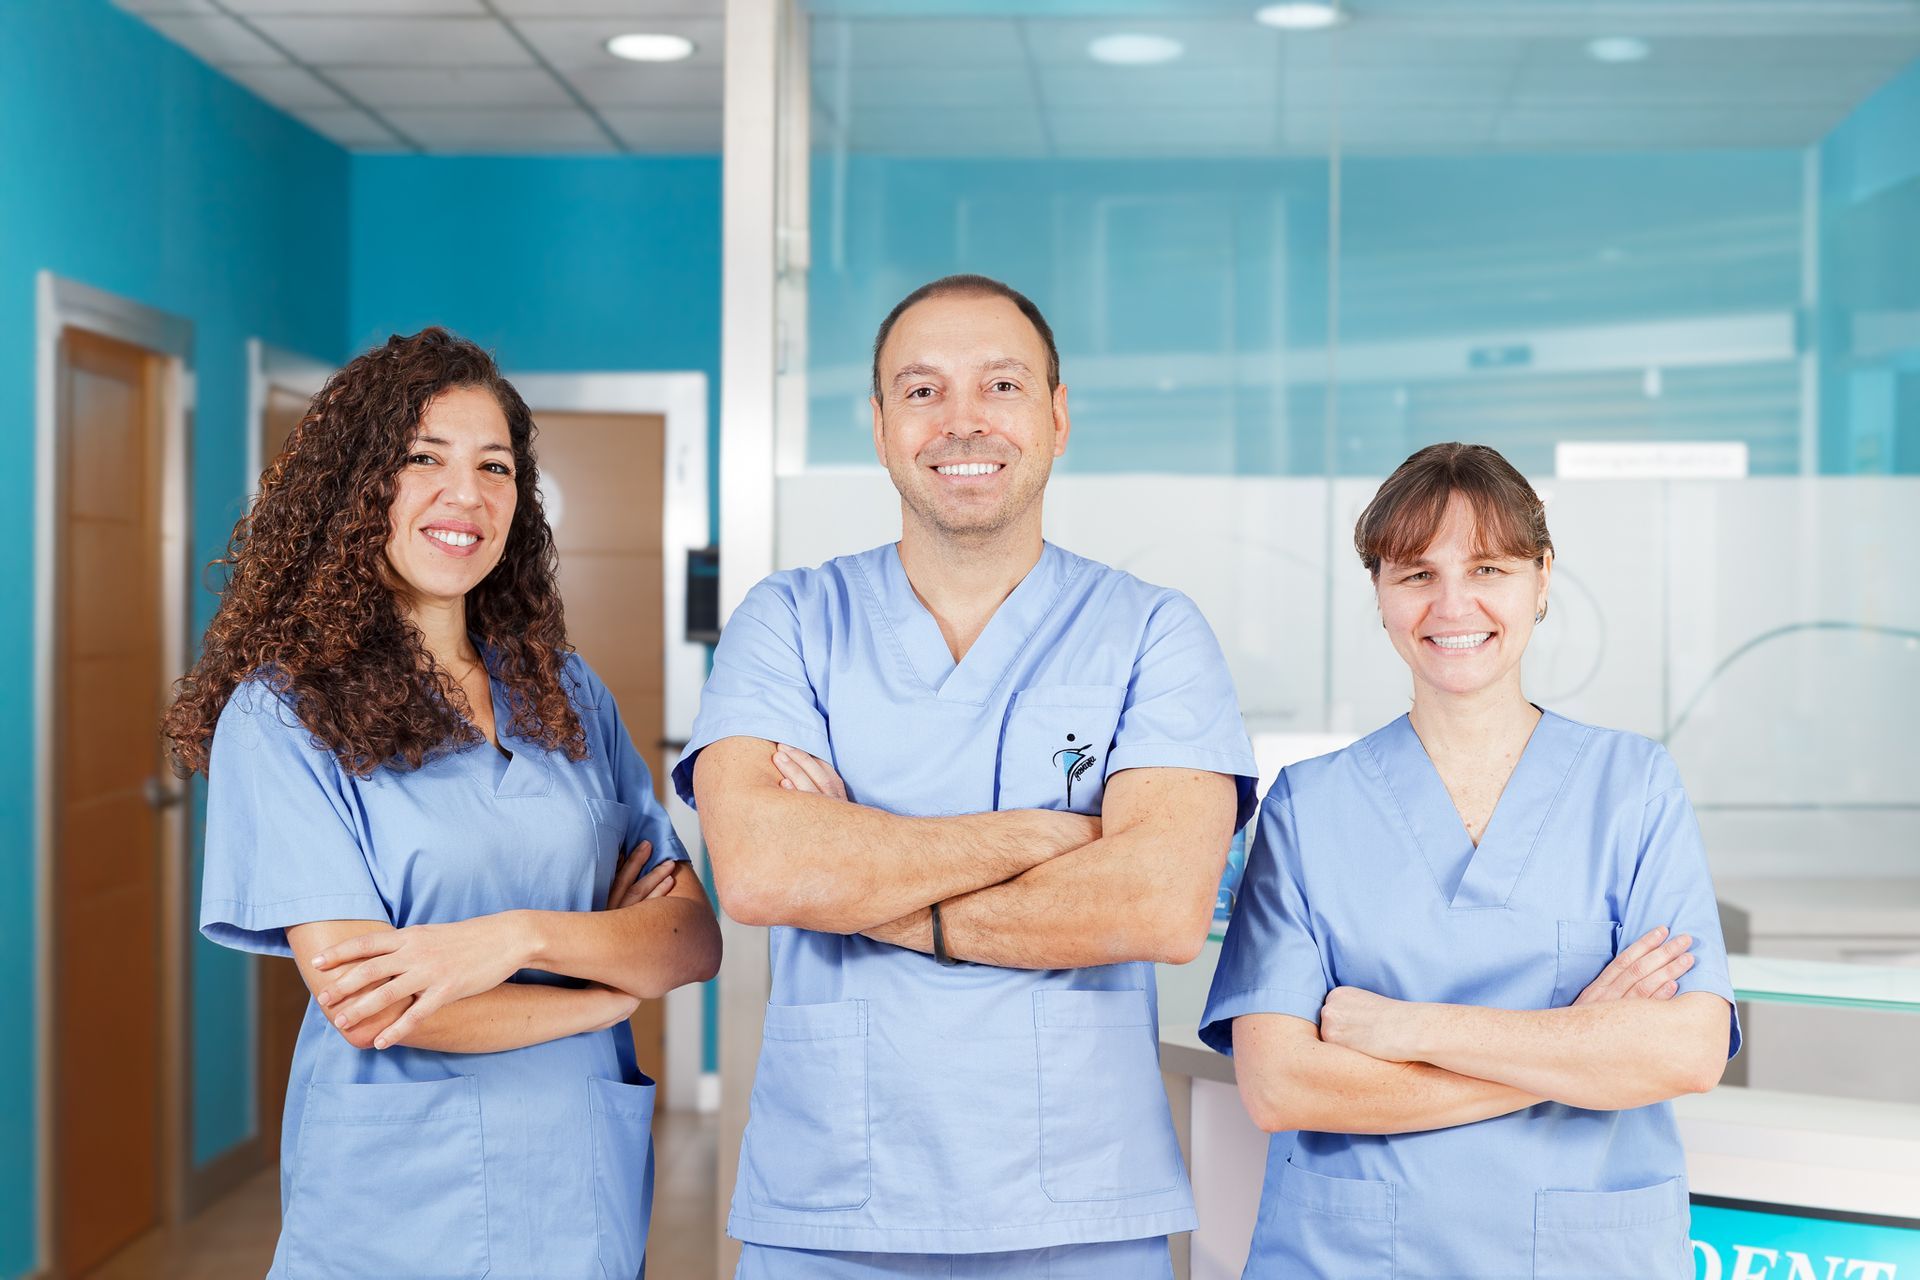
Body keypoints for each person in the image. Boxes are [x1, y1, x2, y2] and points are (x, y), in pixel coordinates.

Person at [675, 275, 1259, 1277]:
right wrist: (1041, 835)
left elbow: (1159, 903)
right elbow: (764, 872)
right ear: (880, 424)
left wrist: (864, 870)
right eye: (921, 390)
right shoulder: (790, 619)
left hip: (1076, 1202)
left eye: (1000, 384)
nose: (962, 421)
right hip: (832, 1200)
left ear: (1058, 415)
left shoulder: (1153, 629)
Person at [164, 327, 721, 1280]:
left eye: (494, 466)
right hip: (398, 1209)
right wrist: (610, 992)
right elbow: (379, 1006)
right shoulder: (283, 712)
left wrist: (514, 942)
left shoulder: (563, 691)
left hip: (580, 1193)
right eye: (424, 458)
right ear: (355, 487)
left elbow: (690, 940)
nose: (466, 494)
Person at [1199, 442, 1740, 1279]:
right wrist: (1576, 1045)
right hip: (1350, 1256)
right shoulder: (1309, 807)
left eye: (1489, 568)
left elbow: (1687, 1052)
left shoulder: (1630, 787)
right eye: (1416, 574)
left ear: (1543, 579)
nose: (1453, 605)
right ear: (1378, 593)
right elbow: (1281, 1087)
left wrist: (1406, 1027)